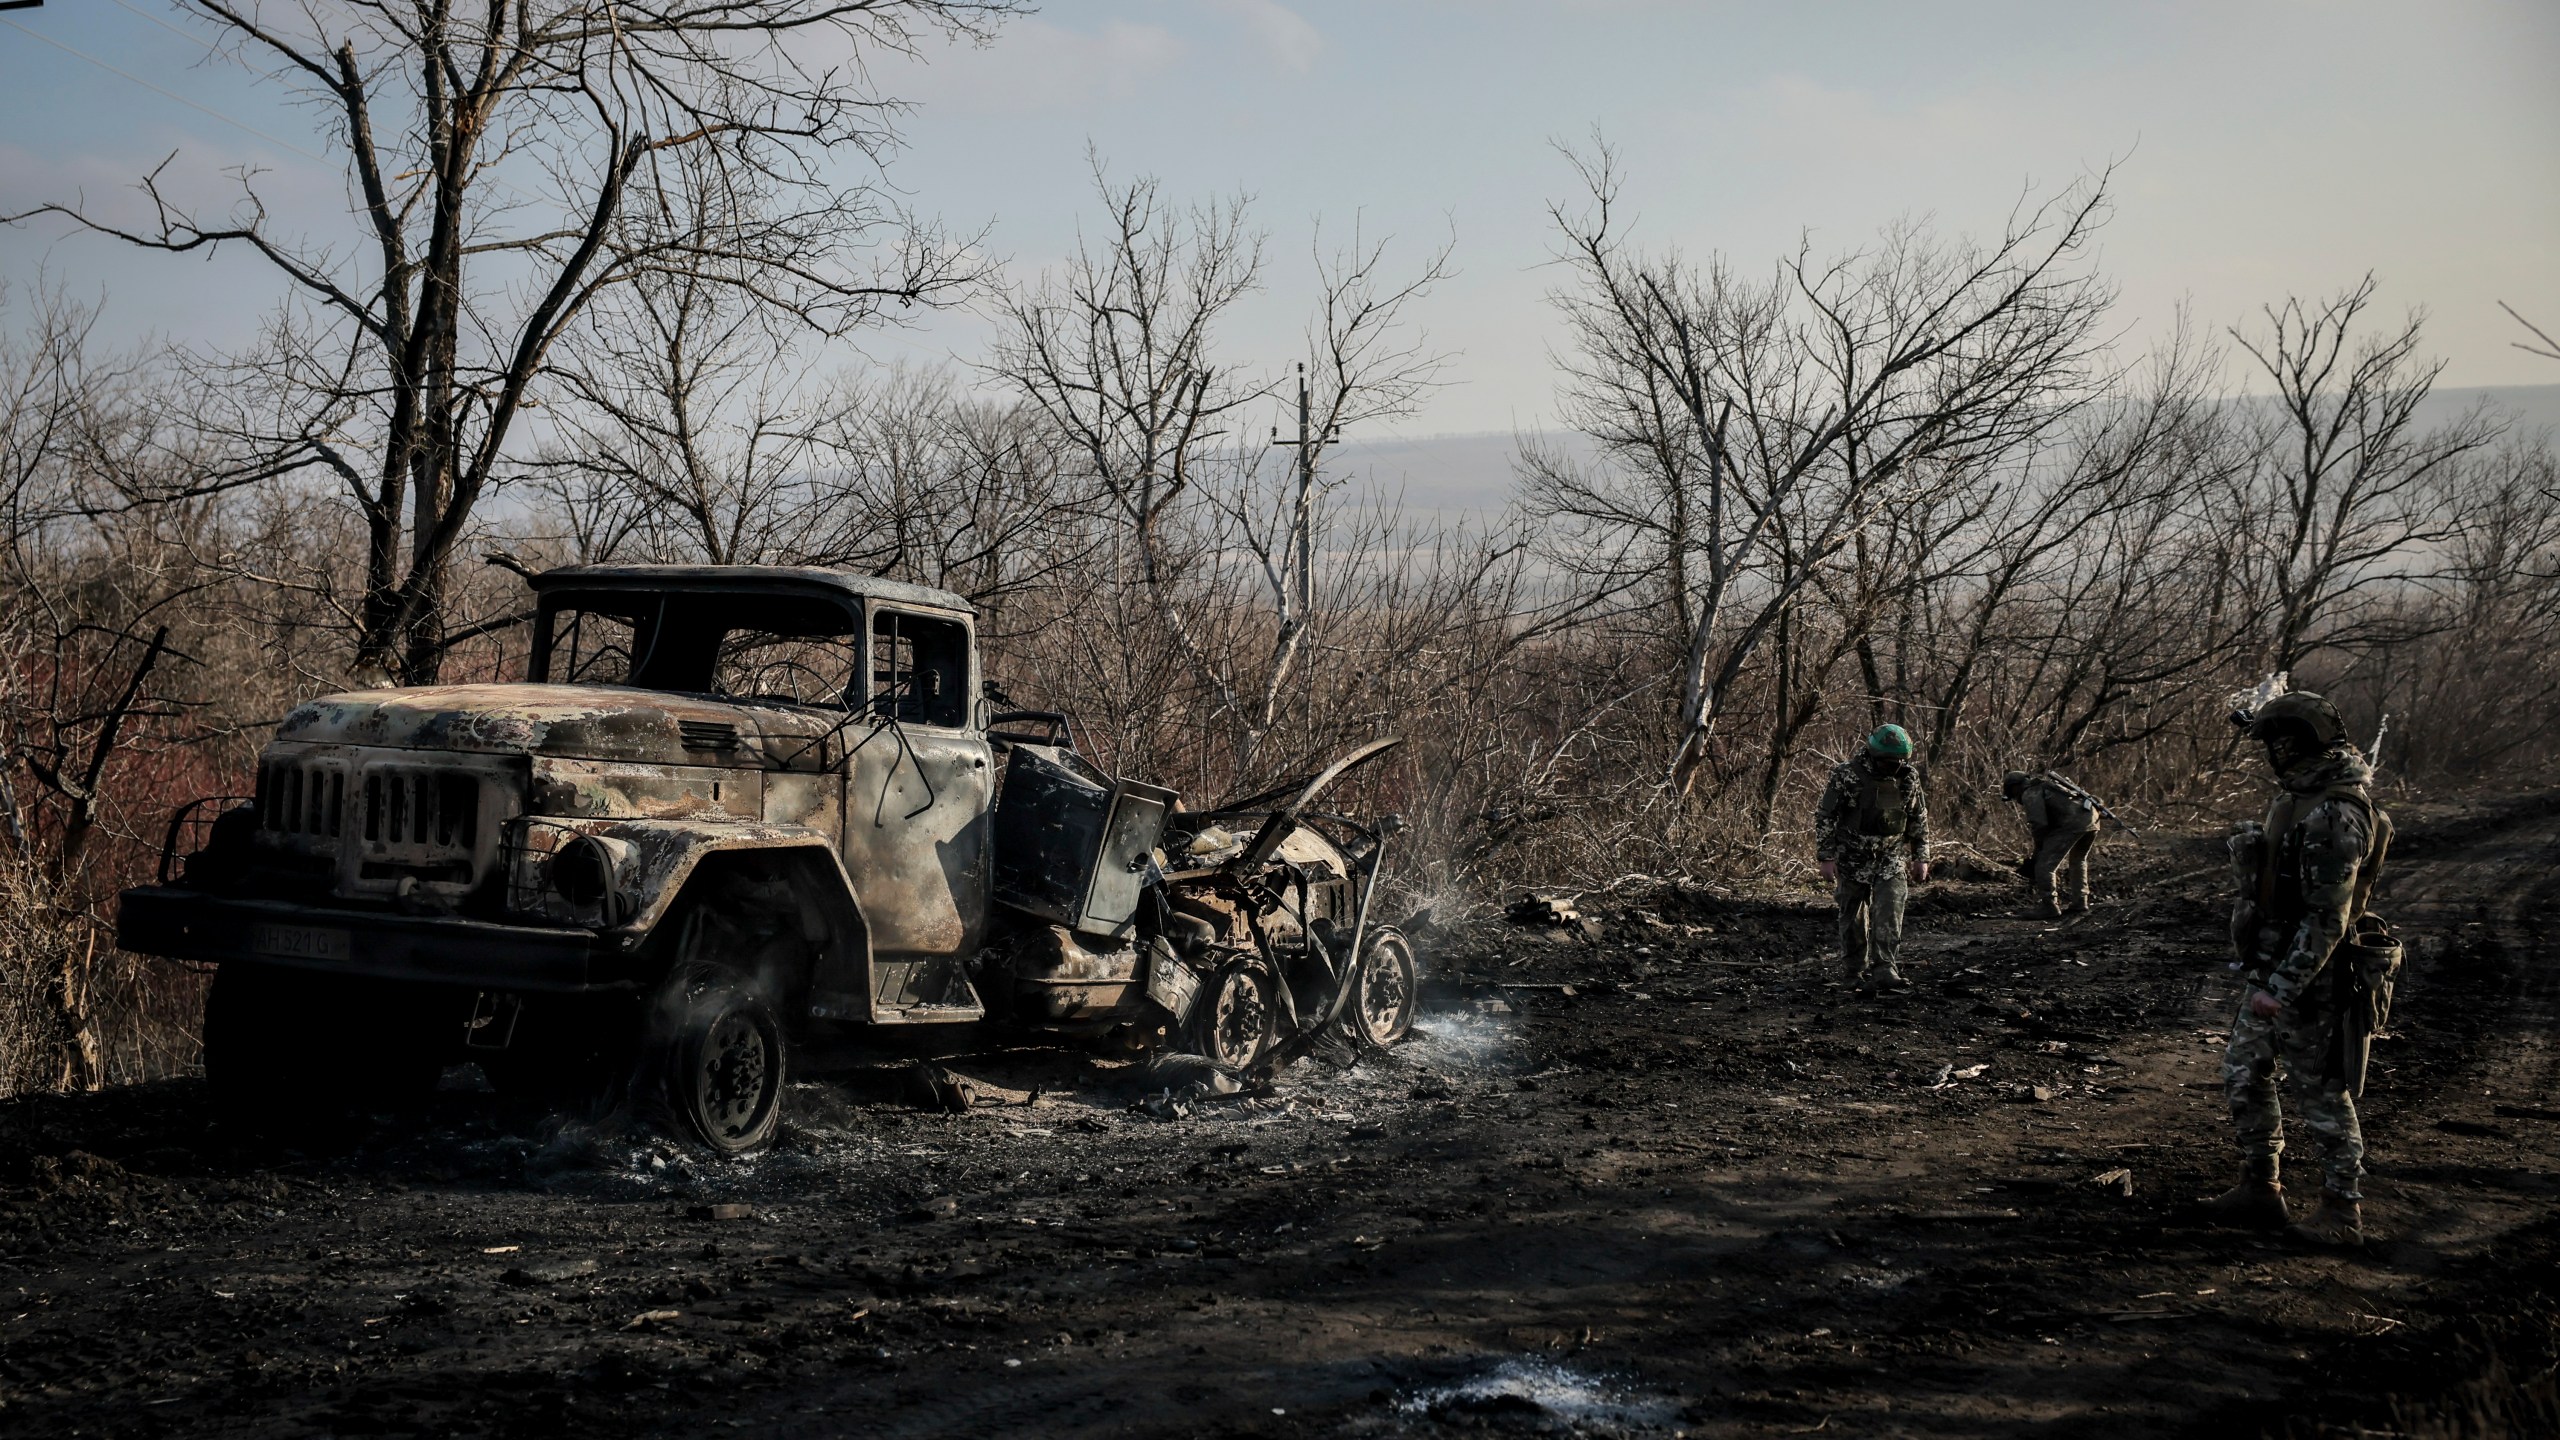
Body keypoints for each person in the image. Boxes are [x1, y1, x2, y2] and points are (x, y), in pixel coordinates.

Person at [2200, 691, 2393, 1247]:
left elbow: (2327, 917)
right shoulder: (2305, 798)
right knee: (2243, 1071)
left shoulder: (2337, 813)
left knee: (2323, 1094)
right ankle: (2261, 1188)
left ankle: (2341, 1211)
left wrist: (2283, 987)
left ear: (2298, 746)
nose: (2270, 756)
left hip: (2315, 978)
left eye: (2276, 744)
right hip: (2272, 965)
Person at [1814, 725, 1931, 993]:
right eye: (1888, 762)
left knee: (1889, 912)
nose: (1893, 766)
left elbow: (1918, 818)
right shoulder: (1847, 775)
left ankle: (1885, 967)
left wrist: (1921, 857)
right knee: (1853, 918)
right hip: (1852, 859)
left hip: (1890, 858)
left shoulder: (1908, 778)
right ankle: (1854, 969)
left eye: (1898, 761)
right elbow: (1826, 816)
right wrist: (1826, 857)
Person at [2001, 770, 2103, 917]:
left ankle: (2049, 906)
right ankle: (2080, 903)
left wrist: (2039, 848)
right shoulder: (2050, 786)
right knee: (2078, 860)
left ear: (2015, 787)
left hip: (2071, 824)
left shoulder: (2031, 792)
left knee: (2044, 866)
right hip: (2091, 819)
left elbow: (2039, 823)